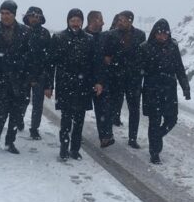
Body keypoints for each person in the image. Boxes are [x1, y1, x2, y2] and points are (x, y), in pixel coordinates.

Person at [47, 8, 103, 160]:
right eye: (73, 20)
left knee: (79, 120)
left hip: (83, 85)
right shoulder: (59, 37)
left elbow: (95, 63)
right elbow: (51, 63)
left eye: (78, 20)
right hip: (65, 84)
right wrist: (49, 85)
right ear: (68, 21)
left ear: (82, 22)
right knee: (66, 120)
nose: (75, 23)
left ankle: (75, 149)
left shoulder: (89, 39)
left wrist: (98, 81)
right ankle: (64, 148)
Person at [140, 19, 190, 164]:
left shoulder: (173, 47)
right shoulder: (145, 47)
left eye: (165, 34)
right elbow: (138, 70)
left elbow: (179, 68)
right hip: (152, 89)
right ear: (155, 33)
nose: (162, 36)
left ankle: (157, 137)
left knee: (172, 119)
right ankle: (154, 152)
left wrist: (185, 86)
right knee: (154, 121)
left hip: (169, 89)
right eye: (159, 33)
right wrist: (136, 88)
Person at [0, 0, 31, 154]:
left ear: (14, 14)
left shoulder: (25, 32)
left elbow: (31, 56)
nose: (5, 16)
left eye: (8, 13)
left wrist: (29, 75)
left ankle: (10, 140)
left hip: (20, 79)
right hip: (1, 78)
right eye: (2, 13)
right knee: (1, 110)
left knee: (17, 113)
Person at [103, 10, 146, 149]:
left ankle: (132, 138)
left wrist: (139, 72)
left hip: (134, 79)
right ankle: (108, 134)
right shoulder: (111, 35)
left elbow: (142, 55)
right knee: (112, 106)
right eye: (118, 20)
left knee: (134, 109)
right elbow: (107, 56)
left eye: (122, 20)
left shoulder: (140, 35)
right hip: (116, 77)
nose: (119, 22)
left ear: (130, 21)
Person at [21, 6, 52, 140]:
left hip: (40, 75)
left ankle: (34, 128)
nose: (34, 18)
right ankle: (18, 119)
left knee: (38, 105)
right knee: (22, 101)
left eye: (37, 16)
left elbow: (49, 58)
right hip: (23, 74)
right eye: (32, 16)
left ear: (40, 18)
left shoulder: (45, 34)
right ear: (27, 17)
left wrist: (49, 83)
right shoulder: (21, 31)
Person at [84, 10, 114, 147]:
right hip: (83, 78)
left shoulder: (105, 37)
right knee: (78, 109)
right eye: (100, 19)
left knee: (104, 109)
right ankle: (73, 134)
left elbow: (109, 57)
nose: (103, 22)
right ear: (93, 21)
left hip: (102, 78)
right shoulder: (82, 36)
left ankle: (105, 136)